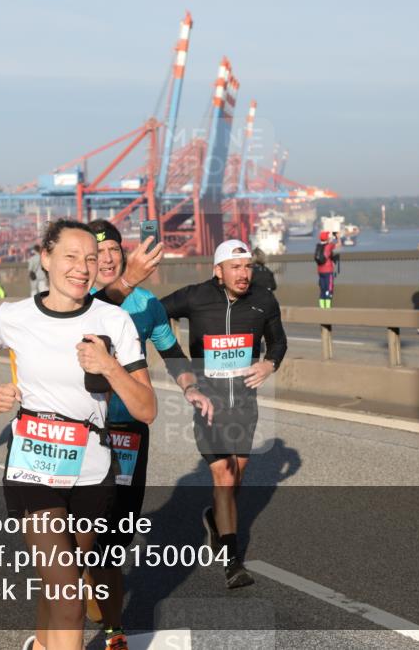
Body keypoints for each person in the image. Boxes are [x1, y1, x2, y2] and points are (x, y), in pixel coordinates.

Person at [0, 219, 156, 650]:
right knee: (69, 599)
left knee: (61, 583)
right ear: (45, 258)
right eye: (71, 256)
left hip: (91, 471)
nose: (82, 268)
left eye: (91, 259)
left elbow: (147, 408)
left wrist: (109, 367)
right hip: (34, 465)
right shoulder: (13, 317)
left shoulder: (115, 320)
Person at [84, 220, 214, 648]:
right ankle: (98, 606)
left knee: (118, 530)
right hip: (85, 428)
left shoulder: (147, 304)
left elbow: (172, 352)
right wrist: (125, 283)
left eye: (114, 250)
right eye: (99, 252)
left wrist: (190, 387)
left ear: (123, 254)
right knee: (83, 526)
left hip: (129, 431)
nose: (107, 259)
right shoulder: (78, 300)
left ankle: (106, 599)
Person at [160, 239, 288, 589]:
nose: (243, 274)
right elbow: (154, 316)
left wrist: (269, 364)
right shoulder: (195, 297)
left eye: (247, 267)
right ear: (218, 271)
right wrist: (178, 363)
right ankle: (233, 562)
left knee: (236, 478)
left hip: (244, 405)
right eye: (235, 268)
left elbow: (278, 341)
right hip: (209, 404)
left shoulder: (263, 300)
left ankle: (217, 521)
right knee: (225, 476)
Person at [314, 230, 339, 308]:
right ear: (327, 238)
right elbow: (338, 244)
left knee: (322, 289)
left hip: (320, 271)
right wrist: (337, 236)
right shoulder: (329, 246)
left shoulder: (318, 246)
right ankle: (327, 308)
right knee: (329, 289)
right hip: (328, 271)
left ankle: (322, 308)